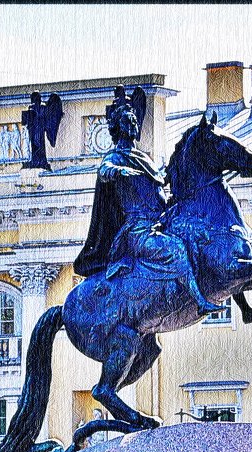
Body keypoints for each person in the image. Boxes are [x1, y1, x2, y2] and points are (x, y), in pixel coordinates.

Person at [72, 102, 221, 315]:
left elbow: (161, 184)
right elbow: (103, 171)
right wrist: (117, 171)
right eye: (127, 121)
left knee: (199, 237)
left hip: (159, 221)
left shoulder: (144, 158)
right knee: (176, 248)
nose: (133, 124)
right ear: (117, 128)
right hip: (138, 229)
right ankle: (199, 301)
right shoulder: (115, 158)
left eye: (134, 120)